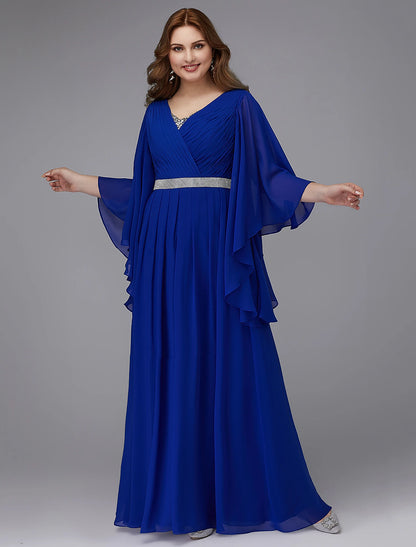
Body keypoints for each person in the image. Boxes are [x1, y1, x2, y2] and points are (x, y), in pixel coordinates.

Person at [42, 7, 363, 540]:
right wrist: (81, 182)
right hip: (165, 253)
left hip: (218, 248)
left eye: (197, 45)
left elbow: (269, 177)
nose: (188, 56)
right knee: (174, 365)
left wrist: (324, 192)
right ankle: (184, 506)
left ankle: (285, 497)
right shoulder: (154, 116)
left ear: (214, 50)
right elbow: (144, 189)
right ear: (166, 56)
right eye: (178, 48)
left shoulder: (239, 106)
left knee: (239, 363)